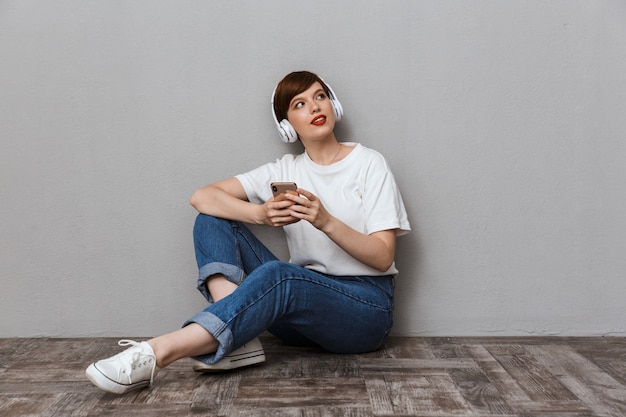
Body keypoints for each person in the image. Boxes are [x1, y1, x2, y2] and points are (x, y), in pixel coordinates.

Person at [85, 71, 411, 394]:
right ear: (286, 125)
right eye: (300, 104)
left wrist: (325, 220)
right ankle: (236, 338)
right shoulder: (285, 170)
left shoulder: (369, 163)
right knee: (211, 219)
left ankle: (156, 352)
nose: (314, 107)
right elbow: (202, 196)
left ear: (334, 106)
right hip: (300, 314)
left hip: (364, 310)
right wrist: (260, 214)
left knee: (281, 275)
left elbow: (383, 257)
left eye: (320, 97)